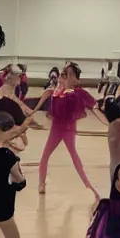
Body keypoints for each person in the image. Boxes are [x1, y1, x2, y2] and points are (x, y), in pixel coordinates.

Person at [34, 62, 103, 200]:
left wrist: (104, 119)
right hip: (57, 128)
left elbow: (94, 106)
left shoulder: (78, 93)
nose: (69, 77)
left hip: (68, 129)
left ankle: (89, 186)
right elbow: (50, 102)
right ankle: (41, 183)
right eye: (67, 74)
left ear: (77, 79)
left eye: (72, 75)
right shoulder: (58, 91)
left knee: (74, 155)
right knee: (45, 154)